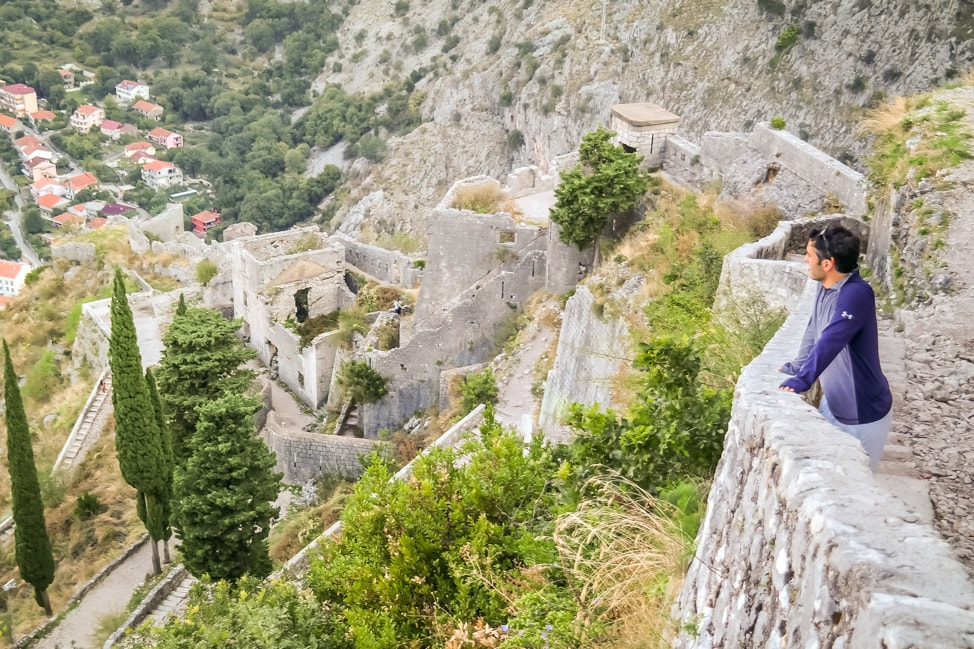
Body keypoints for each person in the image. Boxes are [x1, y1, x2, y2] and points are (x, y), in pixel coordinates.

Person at [779, 224, 892, 471]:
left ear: (828, 264)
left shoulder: (856, 294)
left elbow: (832, 339)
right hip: (832, 404)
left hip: (863, 414)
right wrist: (797, 367)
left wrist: (804, 379)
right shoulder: (824, 286)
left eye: (809, 255)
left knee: (855, 481)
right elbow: (814, 326)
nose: (806, 260)